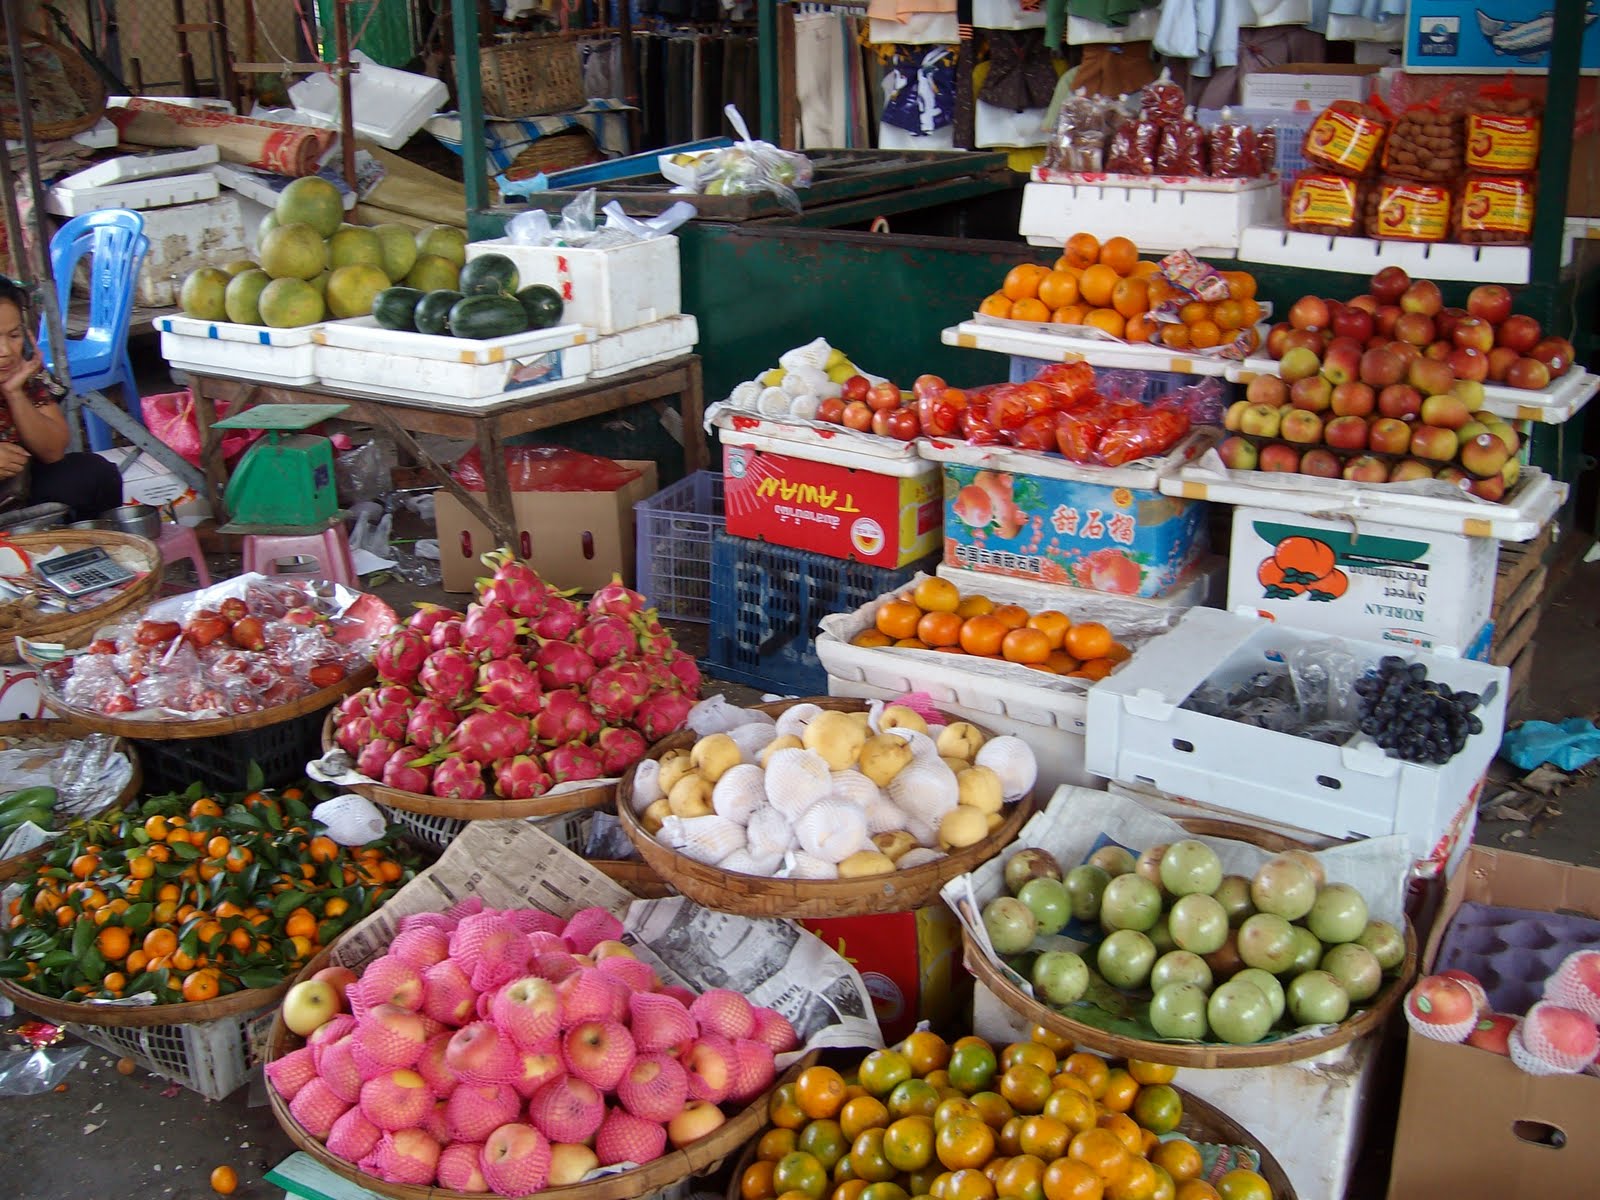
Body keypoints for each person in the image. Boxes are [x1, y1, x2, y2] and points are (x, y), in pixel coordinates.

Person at [0, 278, 123, 520]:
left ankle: (89, 543)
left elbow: (53, 451)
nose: (5, 351)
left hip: (15, 489)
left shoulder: (23, 367)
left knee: (92, 475)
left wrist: (15, 393)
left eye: (14, 335)